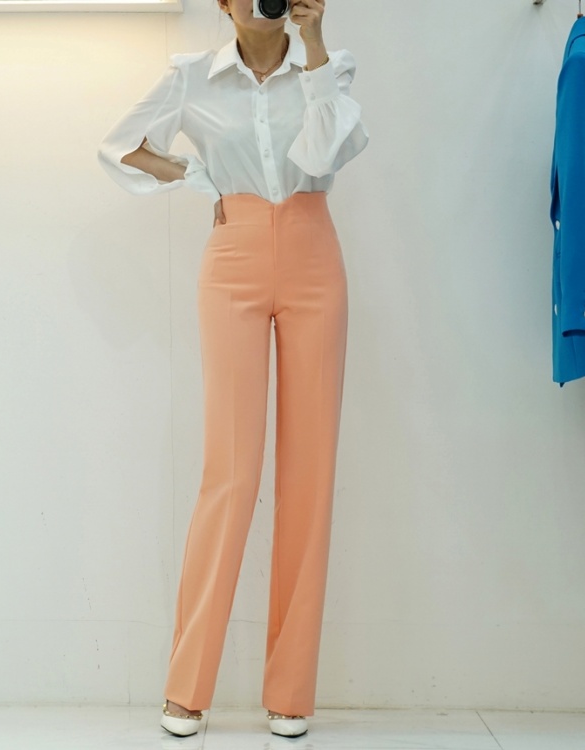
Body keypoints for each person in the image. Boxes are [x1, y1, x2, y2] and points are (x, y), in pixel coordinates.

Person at [97, 0, 368, 738]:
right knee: (231, 472)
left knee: (310, 475)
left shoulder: (327, 66)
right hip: (233, 255)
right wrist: (197, 176)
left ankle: (291, 693)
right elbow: (121, 147)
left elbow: (326, 155)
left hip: (315, 255)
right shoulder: (191, 77)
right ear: (222, 3)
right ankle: (188, 686)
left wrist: (315, 44)